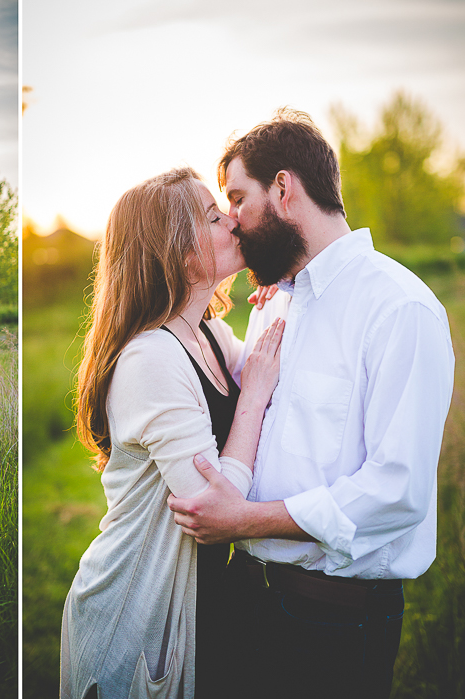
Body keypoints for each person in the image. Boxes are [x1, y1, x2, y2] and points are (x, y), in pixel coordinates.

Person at [167, 109, 455, 699]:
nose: (235, 223)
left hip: (332, 624)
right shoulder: (276, 302)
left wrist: (245, 520)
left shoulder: (401, 309)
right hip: (245, 601)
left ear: (284, 188)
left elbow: (396, 489)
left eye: (239, 200)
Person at [60, 167, 284, 698]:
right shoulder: (151, 357)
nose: (233, 221)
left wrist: (281, 292)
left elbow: (269, 369)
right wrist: (250, 398)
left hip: (195, 599)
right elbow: (216, 505)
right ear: (178, 252)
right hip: (134, 608)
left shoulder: (205, 330)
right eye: (213, 216)